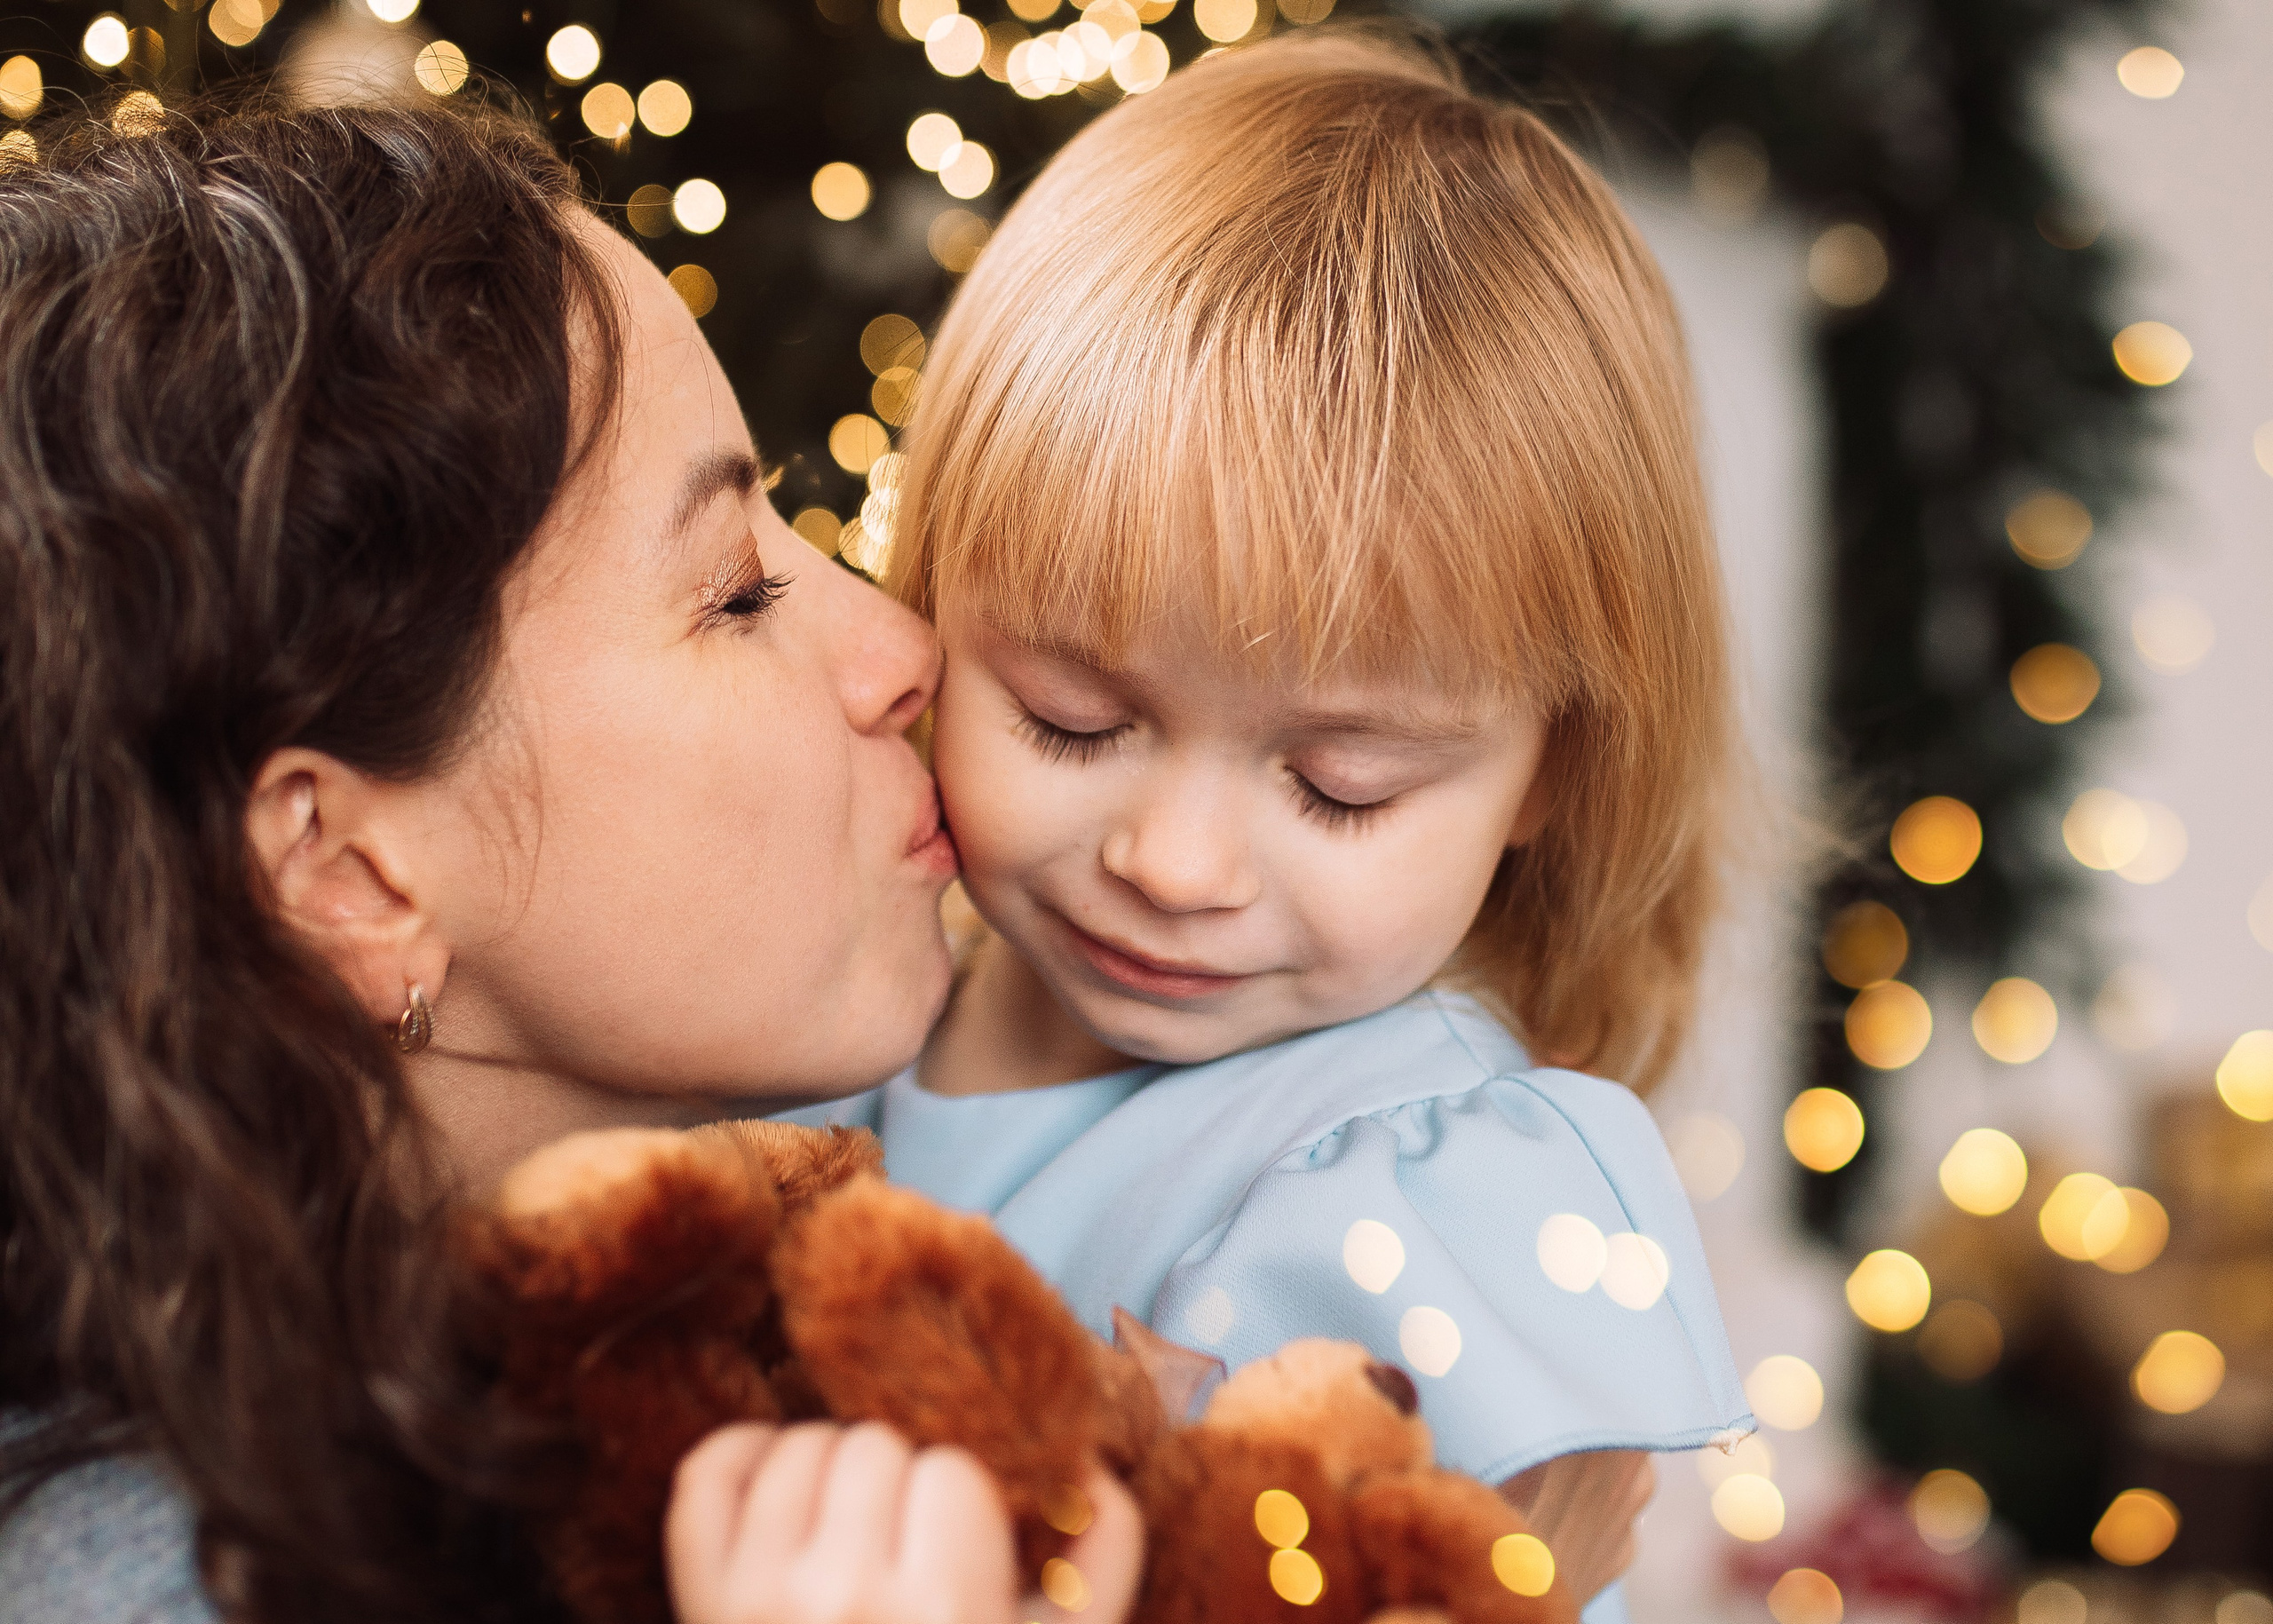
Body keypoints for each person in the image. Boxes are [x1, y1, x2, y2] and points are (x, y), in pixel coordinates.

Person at [0, 91, 1142, 1624]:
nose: (903, 646)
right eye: (737, 593)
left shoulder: (735, 1285)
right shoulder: (146, 1580)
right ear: (350, 873)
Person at [791, 31, 1755, 1620]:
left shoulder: (1425, 1201)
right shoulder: (837, 995)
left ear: (1555, 776)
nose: (1171, 865)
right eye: (1073, 719)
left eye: (1339, 785)